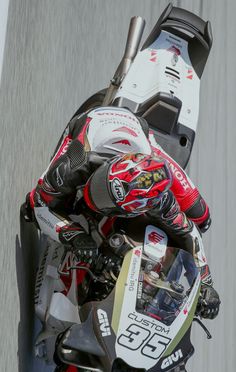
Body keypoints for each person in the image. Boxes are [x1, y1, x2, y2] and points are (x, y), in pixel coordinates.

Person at [21, 106, 220, 319]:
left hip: (143, 142)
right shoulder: (75, 165)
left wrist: (206, 284)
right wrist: (75, 235)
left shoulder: (160, 201)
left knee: (202, 218)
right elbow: (37, 205)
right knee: (32, 208)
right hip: (94, 123)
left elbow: (189, 232)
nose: (95, 196)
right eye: (101, 188)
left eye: (106, 199)